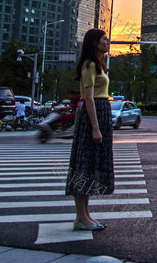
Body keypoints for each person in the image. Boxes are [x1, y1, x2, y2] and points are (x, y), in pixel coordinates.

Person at [65, 29, 114, 231]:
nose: (107, 41)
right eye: (104, 39)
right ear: (94, 42)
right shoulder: (89, 65)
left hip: (102, 112)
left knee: (92, 164)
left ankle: (86, 215)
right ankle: (80, 216)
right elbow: (89, 99)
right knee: (83, 164)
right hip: (94, 114)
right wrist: (95, 127)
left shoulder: (99, 64)